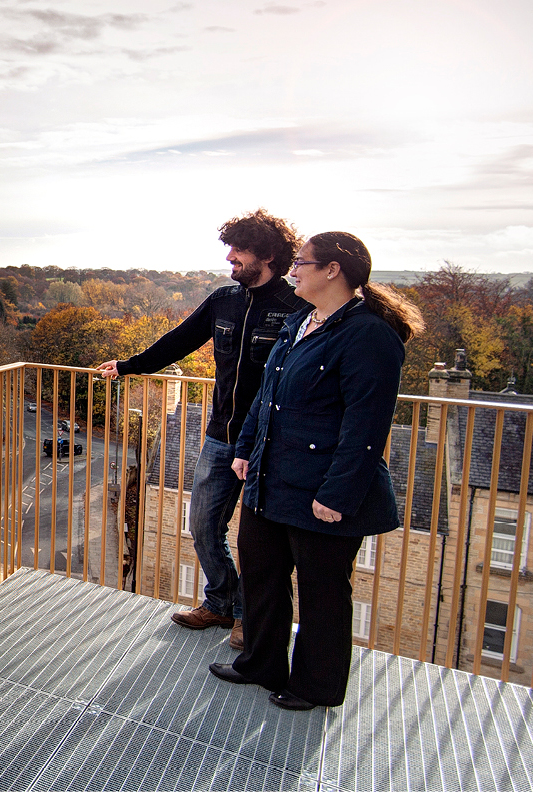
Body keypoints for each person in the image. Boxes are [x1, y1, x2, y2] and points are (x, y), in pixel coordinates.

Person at [209, 231, 423, 711]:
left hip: (323, 490)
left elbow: (365, 426)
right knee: (261, 573)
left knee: (323, 592)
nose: (293, 271)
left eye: (302, 263)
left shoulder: (369, 336)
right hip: (270, 477)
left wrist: (338, 496)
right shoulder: (304, 320)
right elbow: (267, 393)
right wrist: (244, 449)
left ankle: (316, 685)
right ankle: (260, 664)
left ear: (333, 270)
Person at [98, 209, 306, 649]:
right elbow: (178, 340)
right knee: (203, 524)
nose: (230, 258)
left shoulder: (297, 308)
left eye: (238, 251)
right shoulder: (222, 300)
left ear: (266, 254)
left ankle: (251, 620)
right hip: (220, 438)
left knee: (260, 543)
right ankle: (220, 602)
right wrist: (128, 366)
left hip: (271, 445)